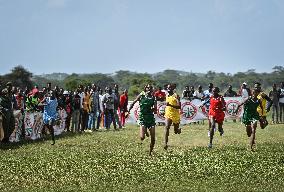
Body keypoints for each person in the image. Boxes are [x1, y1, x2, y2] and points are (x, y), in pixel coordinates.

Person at [128, 84, 156, 155]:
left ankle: (150, 152)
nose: (149, 89)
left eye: (150, 88)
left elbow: (155, 109)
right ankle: (145, 130)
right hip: (143, 118)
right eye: (147, 88)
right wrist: (128, 110)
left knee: (153, 138)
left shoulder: (153, 98)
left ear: (152, 89)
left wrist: (152, 109)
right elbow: (133, 102)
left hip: (150, 118)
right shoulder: (141, 95)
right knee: (142, 137)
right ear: (145, 89)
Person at [164, 83, 181, 150]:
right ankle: (165, 143)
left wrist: (170, 105)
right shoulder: (166, 95)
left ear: (173, 89)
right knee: (167, 127)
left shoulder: (176, 96)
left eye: (170, 88)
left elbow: (179, 106)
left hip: (175, 115)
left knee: (176, 131)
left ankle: (178, 130)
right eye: (168, 88)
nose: (168, 89)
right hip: (168, 114)